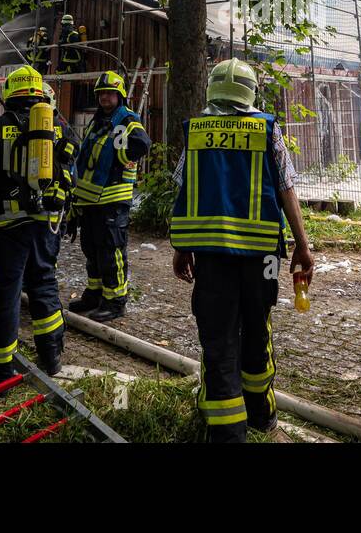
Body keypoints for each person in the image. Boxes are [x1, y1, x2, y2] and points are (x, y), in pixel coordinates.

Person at [170, 59, 314, 442]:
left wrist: (182, 247)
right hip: (262, 258)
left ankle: (226, 432)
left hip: (212, 256)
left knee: (218, 341)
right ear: (250, 93)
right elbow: (286, 187)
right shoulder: (267, 128)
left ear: (212, 90)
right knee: (257, 331)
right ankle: (262, 418)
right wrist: (302, 246)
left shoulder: (197, 130)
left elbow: (184, 188)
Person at [0, 65, 79, 388]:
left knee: (6, 291)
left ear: (9, 94)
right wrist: (70, 213)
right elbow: (71, 170)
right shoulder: (59, 127)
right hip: (46, 224)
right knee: (44, 283)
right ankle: (51, 357)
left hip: (9, 224)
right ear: (41, 93)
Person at [66, 71, 150, 321]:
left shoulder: (125, 119)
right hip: (91, 199)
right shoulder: (98, 120)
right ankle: (95, 294)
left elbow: (142, 143)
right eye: (101, 93)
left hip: (112, 200)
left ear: (119, 95)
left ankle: (115, 301)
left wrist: (120, 159)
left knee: (111, 252)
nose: (104, 97)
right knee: (91, 250)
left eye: (109, 93)